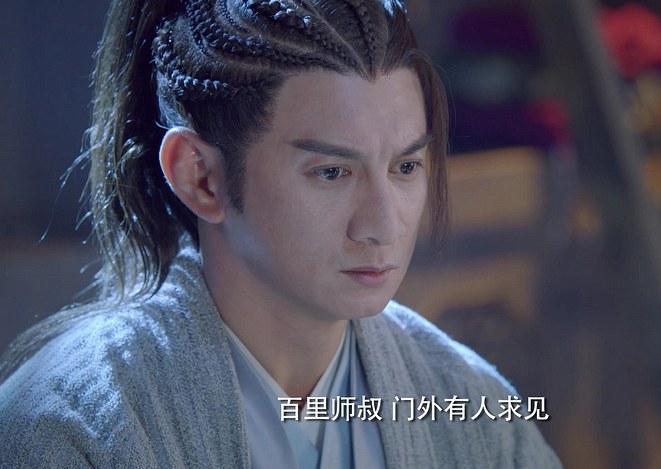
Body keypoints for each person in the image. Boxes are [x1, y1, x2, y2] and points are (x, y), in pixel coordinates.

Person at [0, 1, 561, 467]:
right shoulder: (68, 426)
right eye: (332, 172)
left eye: (405, 167)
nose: (384, 226)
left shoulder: (469, 406)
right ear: (201, 177)